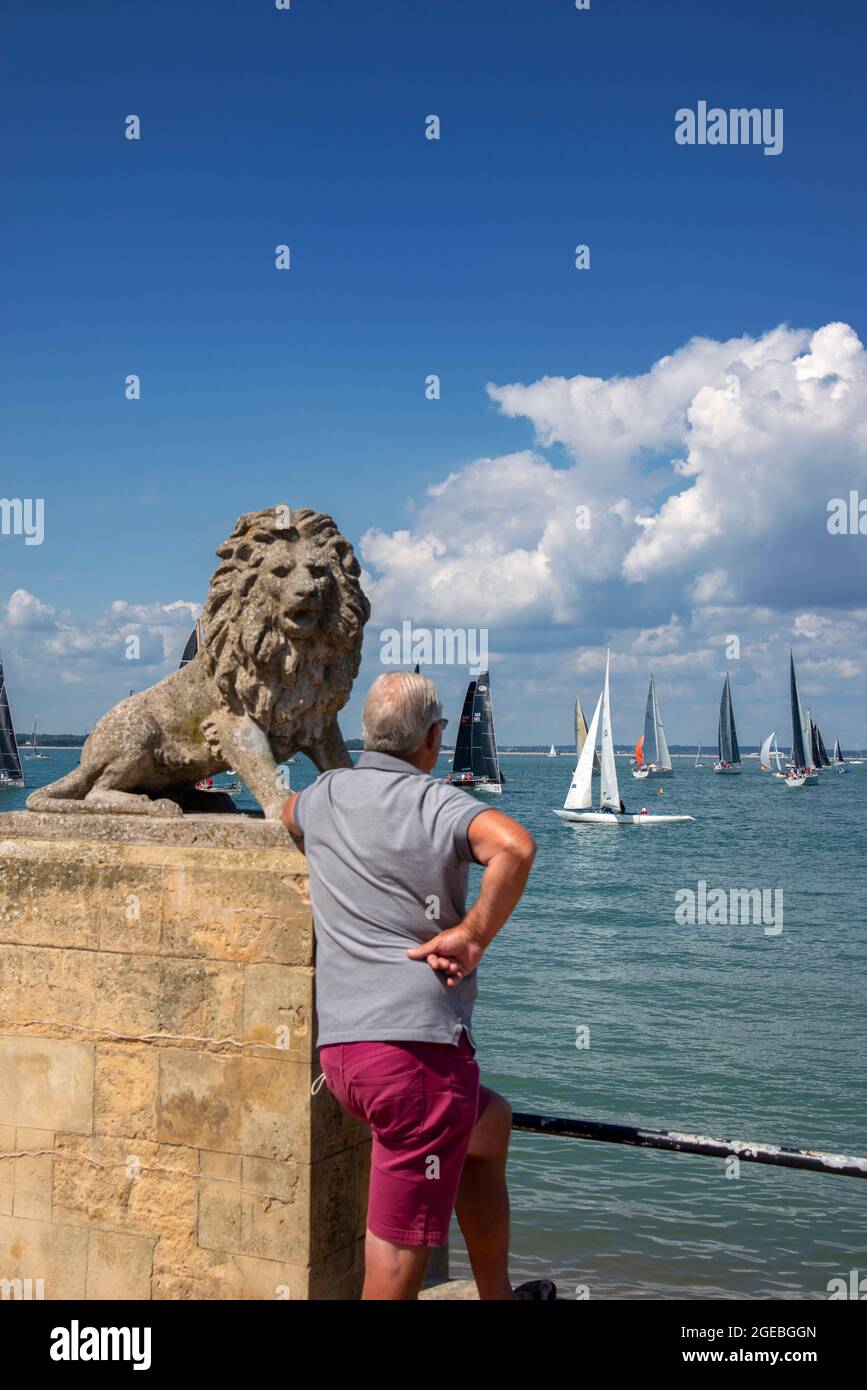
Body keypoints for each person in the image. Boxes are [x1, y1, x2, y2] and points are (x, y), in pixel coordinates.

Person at [280, 672, 554, 1302]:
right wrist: (473, 934)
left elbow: (286, 814)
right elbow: (515, 846)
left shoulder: (323, 797)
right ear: (434, 740)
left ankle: (498, 1297)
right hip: (415, 1061)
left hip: (346, 1056)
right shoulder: (438, 802)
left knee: (490, 1129)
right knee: (396, 1257)